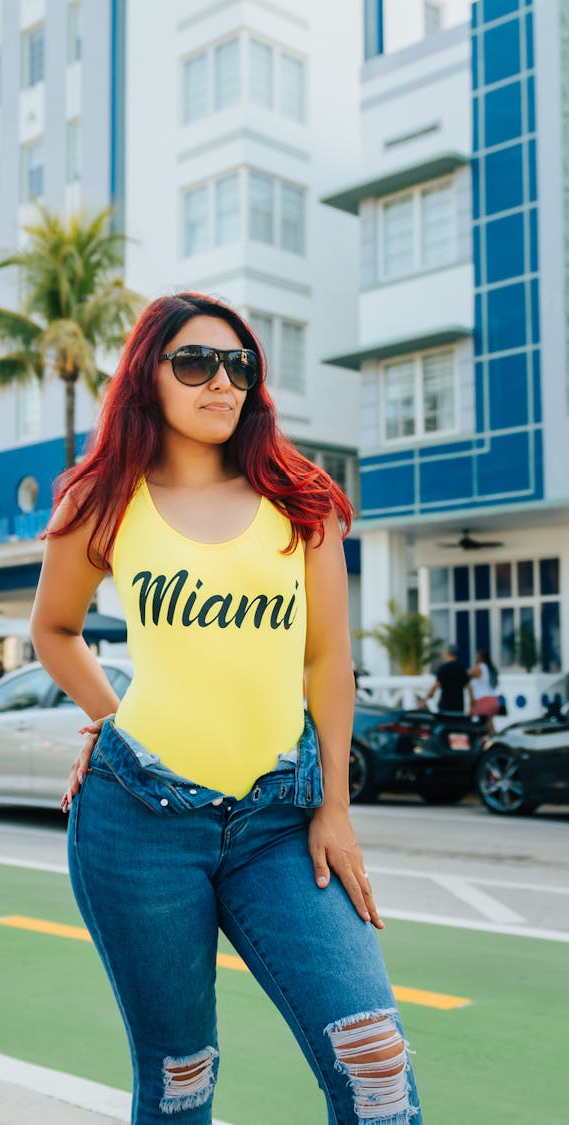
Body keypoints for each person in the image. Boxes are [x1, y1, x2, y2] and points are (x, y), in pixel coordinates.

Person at [30, 293, 422, 1124]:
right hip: (137, 819)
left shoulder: (300, 497)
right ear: (150, 375)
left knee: (377, 1064)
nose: (222, 381)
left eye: (239, 365)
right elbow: (55, 629)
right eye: (196, 362)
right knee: (181, 1079)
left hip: (284, 818)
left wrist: (336, 810)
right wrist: (112, 718)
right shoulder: (102, 498)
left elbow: (328, 661)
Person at [425, 643, 472, 713]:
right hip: (458, 707)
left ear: (447, 653)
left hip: (445, 706)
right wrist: (472, 705)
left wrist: (426, 699)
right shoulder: (461, 668)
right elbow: (469, 688)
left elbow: (436, 686)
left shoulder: (444, 668)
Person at [468, 647, 501, 732]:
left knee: (483, 725)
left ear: (480, 657)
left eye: (477, 656)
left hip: (483, 700)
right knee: (489, 724)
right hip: (493, 700)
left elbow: (465, 677)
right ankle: (494, 741)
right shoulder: (490, 669)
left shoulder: (478, 668)